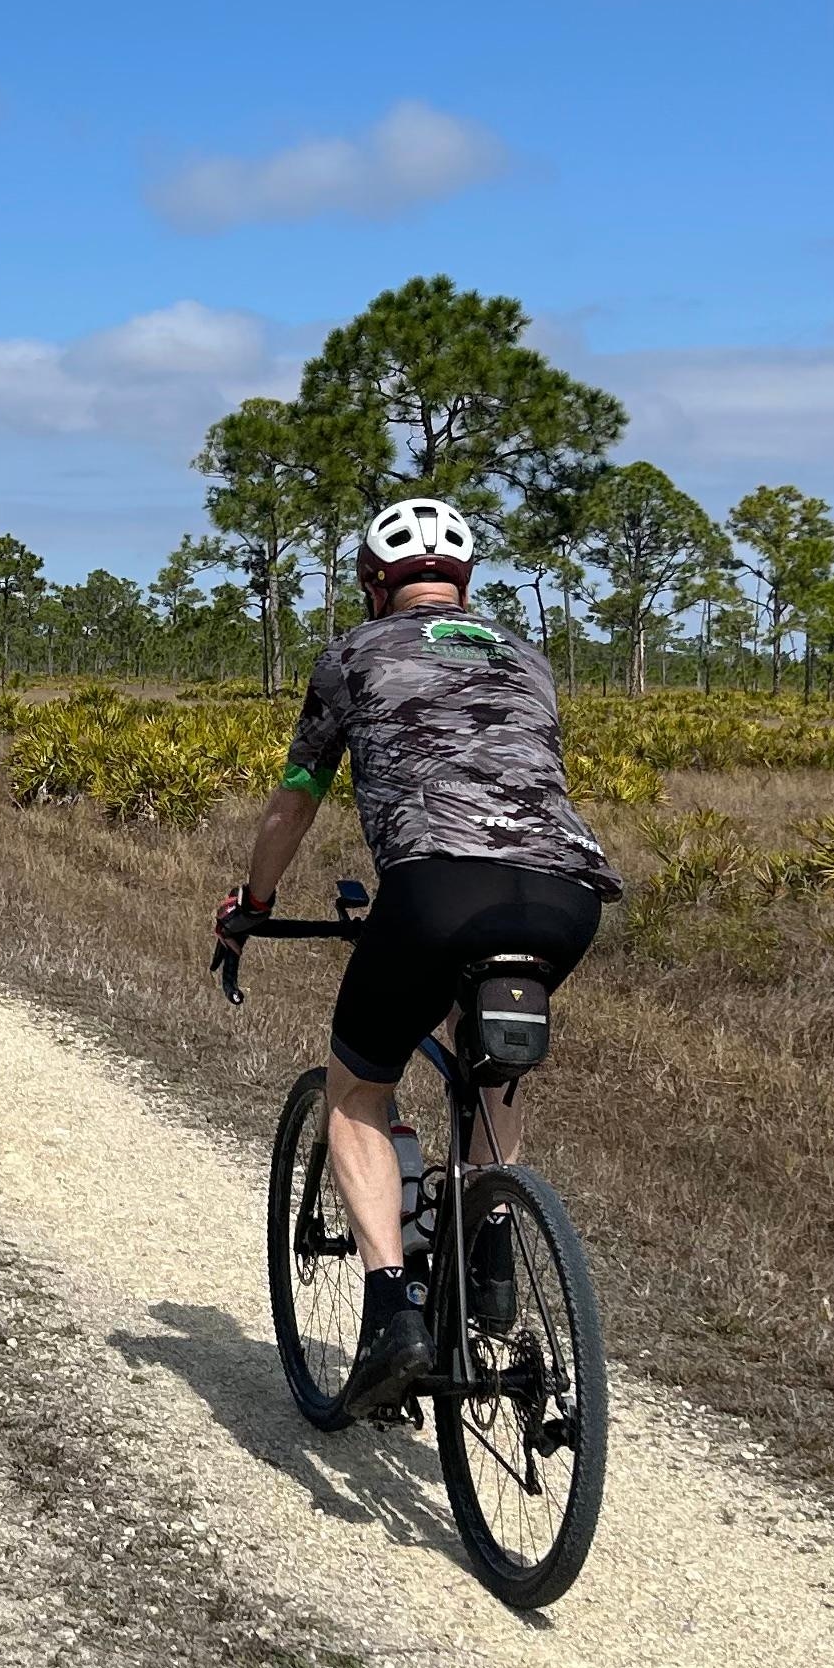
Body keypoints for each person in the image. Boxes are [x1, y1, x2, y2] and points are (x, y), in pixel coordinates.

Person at [215, 496, 620, 1409]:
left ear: (373, 583)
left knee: (357, 1090)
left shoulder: (352, 654)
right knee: (492, 1067)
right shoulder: (527, 656)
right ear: (464, 583)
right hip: (566, 895)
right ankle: (490, 1255)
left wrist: (254, 903)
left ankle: (392, 1311)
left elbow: (297, 796)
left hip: (437, 890)